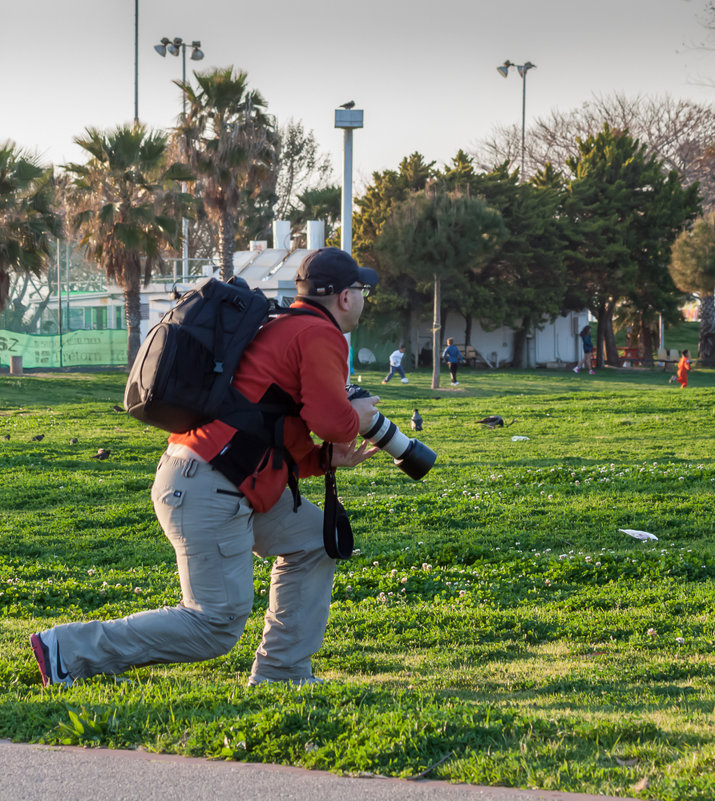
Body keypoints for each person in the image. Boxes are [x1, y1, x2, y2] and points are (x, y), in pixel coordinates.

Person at [30, 247, 381, 688]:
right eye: (362, 290)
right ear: (344, 297)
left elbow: (268, 428)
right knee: (214, 623)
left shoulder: (281, 326)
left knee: (313, 539)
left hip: (208, 475)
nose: (365, 299)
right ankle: (68, 650)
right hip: (209, 486)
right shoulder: (318, 334)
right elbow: (333, 422)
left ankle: (282, 672)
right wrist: (362, 417)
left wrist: (325, 458)